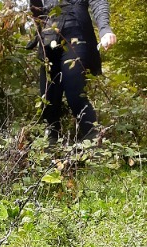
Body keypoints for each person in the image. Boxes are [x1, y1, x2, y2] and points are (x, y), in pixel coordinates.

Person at [29, 0, 117, 143]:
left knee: (75, 92)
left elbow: (98, 2)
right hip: (48, 39)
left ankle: (93, 146)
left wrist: (105, 29)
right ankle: (50, 150)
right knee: (48, 99)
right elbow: (36, 10)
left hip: (76, 34)